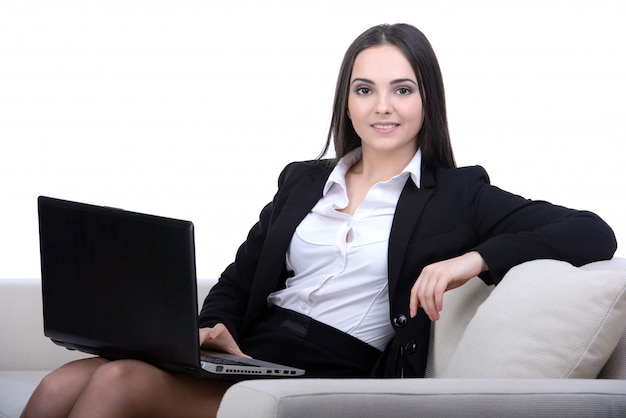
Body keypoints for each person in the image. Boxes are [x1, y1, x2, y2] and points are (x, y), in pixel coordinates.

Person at [21, 23, 617, 418]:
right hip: (254, 353)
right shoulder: (303, 180)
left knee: (117, 385)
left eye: (401, 89)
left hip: (332, 369)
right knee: (61, 382)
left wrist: (473, 260)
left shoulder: (458, 193)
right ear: (347, 101)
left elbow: (593, 231)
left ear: (427, 100)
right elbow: (240, 273)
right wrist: (210, 329)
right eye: (365, 89)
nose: (382, 106)